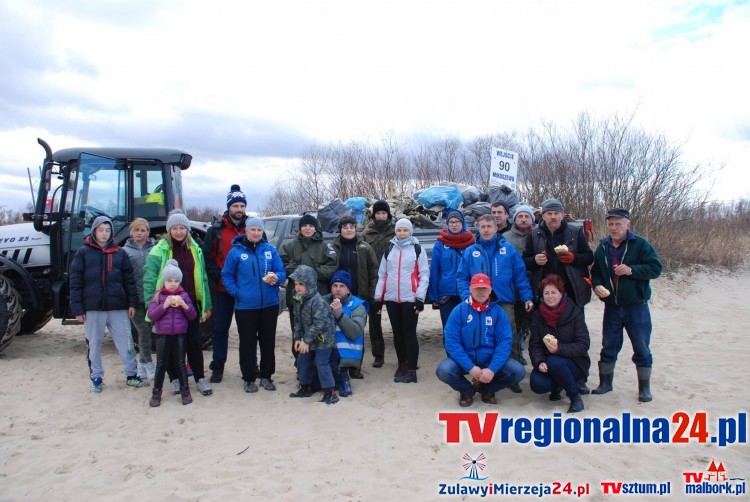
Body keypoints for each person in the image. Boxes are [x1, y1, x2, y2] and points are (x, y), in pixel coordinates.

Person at [69, 216, 149, 393]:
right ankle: (96, 377)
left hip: (117, 307)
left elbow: (128, 280)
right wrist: (77, 309)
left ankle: (131, 375)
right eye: (101, 230)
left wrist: (131, 303)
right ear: (94, 231)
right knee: (94, 344)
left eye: (107, 230)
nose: (104, 234)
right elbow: (75, 282)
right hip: (93, 309)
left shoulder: (119, 253)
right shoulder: (83, 253)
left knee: (126, 343)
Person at [590, 208, 662, 402]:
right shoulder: (603, 247)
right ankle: (605, 384)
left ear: (627, 224)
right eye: (611, 224)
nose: (614, 228)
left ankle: (644, 389)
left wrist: (632, 270)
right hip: (611, 306)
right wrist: (596, 285)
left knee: (641, 346)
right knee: (609, 345)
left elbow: (656, 269)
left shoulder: (640, 244)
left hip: (636, 306)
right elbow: (595, 271)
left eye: (618, 224)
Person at [457, 214, 534, 393]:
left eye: (489, 227)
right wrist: (465, 297)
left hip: (503, 301)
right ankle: (480, 374)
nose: (486, 230)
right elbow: (462, 277)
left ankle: (510, 377)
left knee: (510, 337)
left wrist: (527, 297)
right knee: (482, 337)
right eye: (482, 226)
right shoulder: (471, 251)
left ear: (496, 228)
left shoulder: (508, 249)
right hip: (477, 302)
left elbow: (520, 275)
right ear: (478, 228)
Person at [144, 209, 214, 397]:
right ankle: (175, 379)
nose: (179, 232)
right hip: (166, 305)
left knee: (193, 343)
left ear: (187, 229)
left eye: (182, 227)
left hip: (189, 304)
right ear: (169, 230)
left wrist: (206, 304)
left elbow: (203, 277)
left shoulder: (195, 248)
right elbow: (150, 280)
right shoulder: (159, 250)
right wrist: (151, 306)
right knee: (170, 345)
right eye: (174, 228)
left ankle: (199, 377)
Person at [435, 273, 525, 406]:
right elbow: (451, 343)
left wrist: (492, 369)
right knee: (443, 370)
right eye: (477, 288)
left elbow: (504, 343)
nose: (481, 292)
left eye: (484, 288)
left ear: (490, 290)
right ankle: (467, 390)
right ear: (470, 289)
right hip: (467, 359)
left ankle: (487, 389)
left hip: (490, 360)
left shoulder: (499, 312)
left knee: (518, 371)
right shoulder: (459, 311)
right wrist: (470, 367)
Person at [221, 217, 286, 393]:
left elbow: (281, 271)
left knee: (268, 342)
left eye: (259, 230)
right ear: (246, 231)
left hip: (269, 304)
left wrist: (276, 278)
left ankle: (266, 376)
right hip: (245, 306)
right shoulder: (236, 252)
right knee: (248, 343)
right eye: (253, 230)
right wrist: (237, 292)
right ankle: (249, 377)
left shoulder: (270, 250)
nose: (256, 233)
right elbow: (226, 275)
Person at [373, 218, 429, 383]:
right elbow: (382, 275)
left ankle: (412, 370)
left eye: (405, 230)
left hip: (409, 299)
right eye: (399, 230)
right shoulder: (389, 250)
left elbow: (424, 275)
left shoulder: (417, 250)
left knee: (409, 333)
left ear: (410, 231)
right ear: (395, 232)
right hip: (391, 299)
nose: (402, 233)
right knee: (397, 334)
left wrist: (419, 297)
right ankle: (402, 364)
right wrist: (378, 298)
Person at [202, 184, 248, 383]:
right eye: (235, 205)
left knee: (248, 331)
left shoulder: (253, 228)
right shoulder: (216, 230)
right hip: (223, 289)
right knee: (220, 330)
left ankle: (249, 366)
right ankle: (218, 366)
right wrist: (221, 277)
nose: (239, 209)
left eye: (241, 206)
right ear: (229, 207)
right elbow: (207, 258)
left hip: (247, 290)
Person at [528, 274, 590, 413]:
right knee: (537, 384)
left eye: (554, 292)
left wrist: (558, 349)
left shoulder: (574, 312)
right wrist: (539, 362)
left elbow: (583, 344)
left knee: (556, 362)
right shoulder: (539, 315)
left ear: (561, 294)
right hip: (549, 361)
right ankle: (559, 384)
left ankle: (575, 398)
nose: (550, 297)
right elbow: (535, 344)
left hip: (575, 363)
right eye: (546, 293)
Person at [523, 198, 593, 311]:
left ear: (562, 215)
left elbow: (589, 257)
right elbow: (525, 261)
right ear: (543, 216)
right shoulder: (534, 234)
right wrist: (534, 261)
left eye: (556, 213)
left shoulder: (575, 232)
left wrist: (574, 258)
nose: (553, 216)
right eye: (549, 213)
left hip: (571, 289)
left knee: (575, 326)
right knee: (546, 326)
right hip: (545, 292)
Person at [331, 214, 378, 380]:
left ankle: (355, 367)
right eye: (345, 227)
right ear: (340, 229)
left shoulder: (365, 247)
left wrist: (372, 295)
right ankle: (338, 364)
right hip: (338, 296)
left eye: (351, 226)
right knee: (339, 330)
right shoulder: (333, 248)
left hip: (359, 296)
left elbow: (374, 272)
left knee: (357, 332)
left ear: (355, 227)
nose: (348, 229)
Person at [147, 259, 197, 407]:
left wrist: (184, 306)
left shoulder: (184, 296)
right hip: (162, 335)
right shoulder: (158, 296)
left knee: (181, 363)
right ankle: (156, 393)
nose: (173, 283)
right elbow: (152, 316)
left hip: (180, 335)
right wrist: (165, 305)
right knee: (161, 364)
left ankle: (185, 392)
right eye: (169, 280)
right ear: (164, 281)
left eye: (176, 280)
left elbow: (192, 316)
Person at [288, 265, 339, 405]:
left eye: (301, 284)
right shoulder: (298, 298)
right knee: (302, 361)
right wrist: (298, 339)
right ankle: (305, 387)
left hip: (323, 339)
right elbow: (297, 320)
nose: (297, 287)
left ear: (309, 284)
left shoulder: (318, 302)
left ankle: (330, 392)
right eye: (296, 284)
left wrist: (306, 340)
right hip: (307, 339)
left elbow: (319, 324)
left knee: (322, 363)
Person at [280, 213, 338, 336]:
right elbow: (282, 267)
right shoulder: (289, 246)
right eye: (304, 225)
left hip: (320, 295)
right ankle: (299, 355)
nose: (307, 228)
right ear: (300, 228)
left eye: (311, 226)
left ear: (315, 228)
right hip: (296, 296)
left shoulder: (325, 246)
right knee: (298, 333)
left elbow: (332, 266)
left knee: (319, 332)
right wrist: (297, 271)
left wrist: (312, 274)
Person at [323, 270, 368, 397]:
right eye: (335, 286)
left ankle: (343, 377)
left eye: (342, 286)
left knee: (344, 390)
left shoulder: (358, 306)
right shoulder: (322, 302)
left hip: (344, 351)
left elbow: (355, 332)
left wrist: (339, 314)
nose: (338, 289)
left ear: (348, 290)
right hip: (324, 349)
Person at [429, 209, 476, 329]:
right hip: (446, 294)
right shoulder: (440, 245)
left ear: (463, 223)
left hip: (466, 293)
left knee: (466, 328)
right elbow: (435, 271)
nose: (454, 225)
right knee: (449, 328)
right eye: (451, 222)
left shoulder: (472, 244)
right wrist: (434, 296)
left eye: (457, 222)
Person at [362, 200, 395, 368]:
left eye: (384, 213)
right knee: (375, 322)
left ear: (388, 215)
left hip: (394, 283)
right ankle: (378, 355)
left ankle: (403, 357)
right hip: (374, 282)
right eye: (378, 213)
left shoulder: (396, 232)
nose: (381, 216)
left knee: (399, 322)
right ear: (373, 215)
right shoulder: (366, 234)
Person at [123, 217, 156, 380]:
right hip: (134, 299)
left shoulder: (154, 249)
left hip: (151, 298)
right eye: (136, 230)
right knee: (143, 330)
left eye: (143, 230)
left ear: (148, 232)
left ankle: (142, 365)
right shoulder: (125, 251)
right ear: (131, 232)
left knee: (148, 330)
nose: (139, 233)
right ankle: (148, 362)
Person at [503, 204, 536, 366]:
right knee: (515, 325)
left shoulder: (538, 235)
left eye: (527, 216)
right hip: (514, 290)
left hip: (536, 288)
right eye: (520, 217)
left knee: (534, 326)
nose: (523, 219)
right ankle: (516, 356)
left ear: (532, 219)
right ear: (514, 219)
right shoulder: (506, 238)